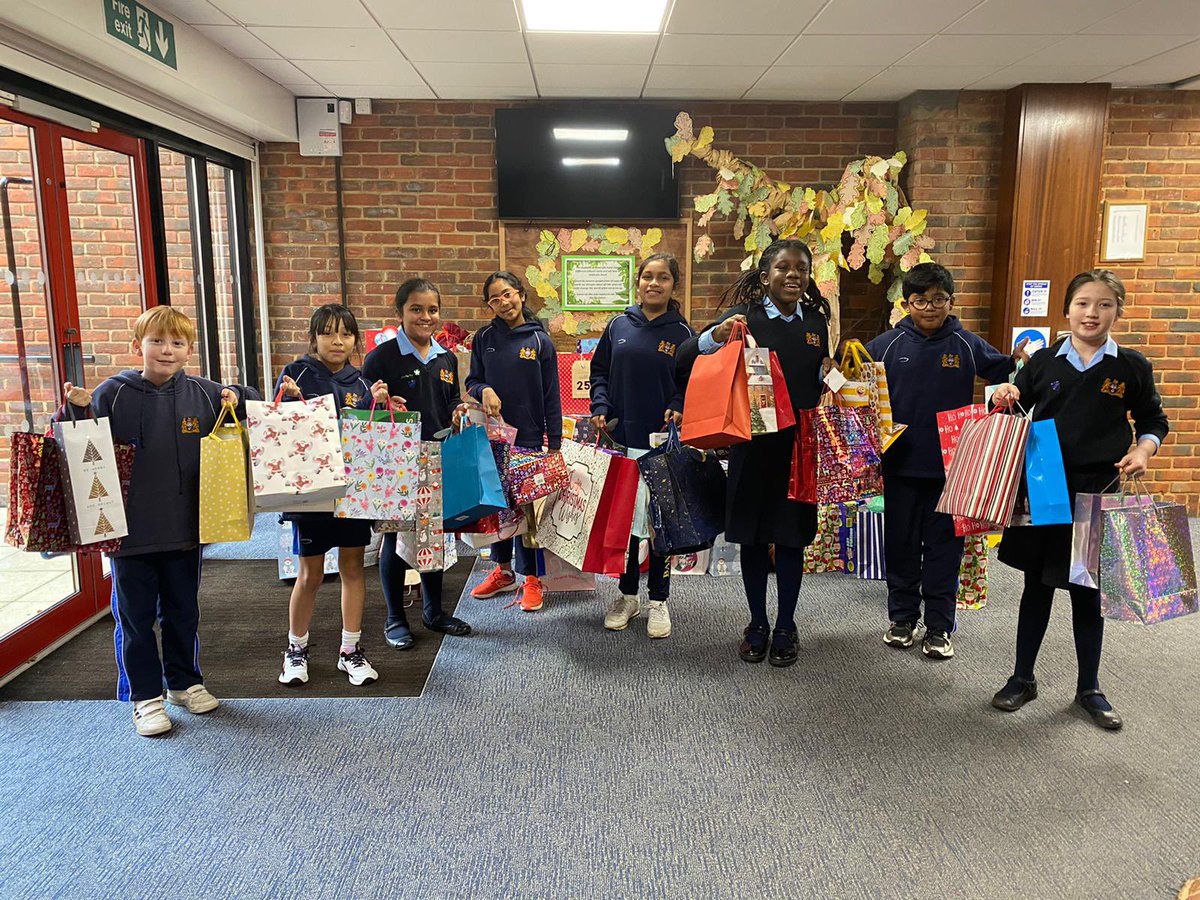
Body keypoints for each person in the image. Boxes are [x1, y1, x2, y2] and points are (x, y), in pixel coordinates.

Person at [60, 305, 259, 736]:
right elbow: (78, 447)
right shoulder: (113, 393)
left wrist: (238, 394)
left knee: (183, 611)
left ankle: (184, 683)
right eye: (156, 341)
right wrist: (75, 410)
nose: (166, 350)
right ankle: (144, 697)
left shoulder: (206, 395)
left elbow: (255, 404)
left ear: (189, 349)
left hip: (186, 530)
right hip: (128, 533)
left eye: (177, 343)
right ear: (138, 346)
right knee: (134, 618)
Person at [990, 270, 1168, 731]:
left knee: (1089, 594)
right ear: (1067, 310)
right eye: (1084, 304)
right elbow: (1013, 403)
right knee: (1037, 586)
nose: (1092, 313)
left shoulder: (1131, 366)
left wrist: (1142, 449)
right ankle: (1022, 677)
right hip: (1045, 488)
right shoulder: (1044, 361)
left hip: (1098, 491)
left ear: (1117, 311)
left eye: (1104, 304)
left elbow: (1153, 420)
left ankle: (1089, 687)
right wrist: (1007, 392)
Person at [676, 239, 830, 667]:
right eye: (783, 268)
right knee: (754, 539)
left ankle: (786, 625)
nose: (793, 275)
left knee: (793, 539)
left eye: (801, 268)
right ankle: (757, 623)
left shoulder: (816, 322)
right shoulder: (745, 320)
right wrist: (714, 337)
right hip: (753, 446)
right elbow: (685, 360)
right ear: (766, 277)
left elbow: (815, 374)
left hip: (799, 449)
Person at [865, 262, 1026, 660]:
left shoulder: (967, 345)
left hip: (954, 470)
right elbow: (853, 373)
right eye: (920, 300)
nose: (930, 307)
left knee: (944, 550)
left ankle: (939, 626)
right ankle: (902, 618)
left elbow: (1004, 370)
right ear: (906, 303)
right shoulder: (886, 345)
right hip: (899, 466)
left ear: (951, 301)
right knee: (900, 545)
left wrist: (1017, 368)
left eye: (938, 299)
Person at [275, 303, 387, 688]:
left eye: (345, 334)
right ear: (314, 337)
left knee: (354, 569)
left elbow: (372, 438)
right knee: (310, 573)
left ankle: (350, 651)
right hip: (311, 495)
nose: (337, 341)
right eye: (328, 333)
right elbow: (281, 429)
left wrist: (382, 405)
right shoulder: (295, 374)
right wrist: (289, 398)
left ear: (355, 340)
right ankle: (295, 650)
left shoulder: (361, 382)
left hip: (353, 493)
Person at [589, 253, 696, 639]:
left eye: (663, 278)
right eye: (647, 277)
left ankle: (659, 601)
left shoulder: (683, 333)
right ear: (638, 282)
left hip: (662, 447)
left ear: (673, 285)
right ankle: (628, 595)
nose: (654, 283)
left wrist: (678, 406)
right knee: (627, 528)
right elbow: (599, 371)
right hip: (622, 442)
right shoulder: (619, 324)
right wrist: (600, 405)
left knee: (660, 527)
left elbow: (690, 384)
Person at [361, 278, 471, 650]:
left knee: (432, 536)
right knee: (393, 537)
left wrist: (457, 408)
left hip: (436, 455)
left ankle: (433, 612)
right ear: (400, 312)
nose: (426, 317)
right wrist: (381, 401)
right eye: (416, 309)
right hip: (395, 458)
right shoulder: (382, 357)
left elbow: (451, 395)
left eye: (432, 309)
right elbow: (365, 409)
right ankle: (395, 617)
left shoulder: (446, 357)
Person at [466, 271, 562, 612]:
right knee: (498, 508)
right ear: (489, 305)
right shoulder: (483, 339)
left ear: (520, 294)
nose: (502, 303)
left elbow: (552, 396)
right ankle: (503, 572)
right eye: (494, 299)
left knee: (528, 513)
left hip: (531, 438)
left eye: (507, 294)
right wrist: (485, 389)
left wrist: (556, 442)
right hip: (494, 437)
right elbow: (472, 381)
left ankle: (533, 579)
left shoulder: (540, 342)